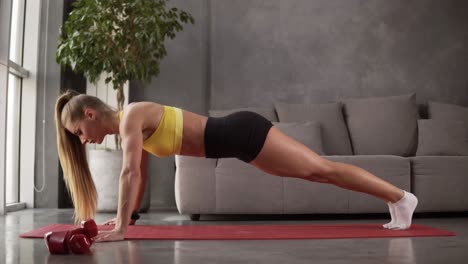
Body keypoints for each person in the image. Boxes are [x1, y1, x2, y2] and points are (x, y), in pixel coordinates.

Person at [54, 90, 418, 243]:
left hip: (243, 133)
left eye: (79, 132)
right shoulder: (132, 127)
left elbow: (129, 173)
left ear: (90, 114)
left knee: (321, 169)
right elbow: (141, 174)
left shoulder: (131, 115)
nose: (83, 140)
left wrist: (119, 229)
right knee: (317, 170)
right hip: (240, 147)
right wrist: (126, 219)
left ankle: (400, 197)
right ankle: (396, 198)